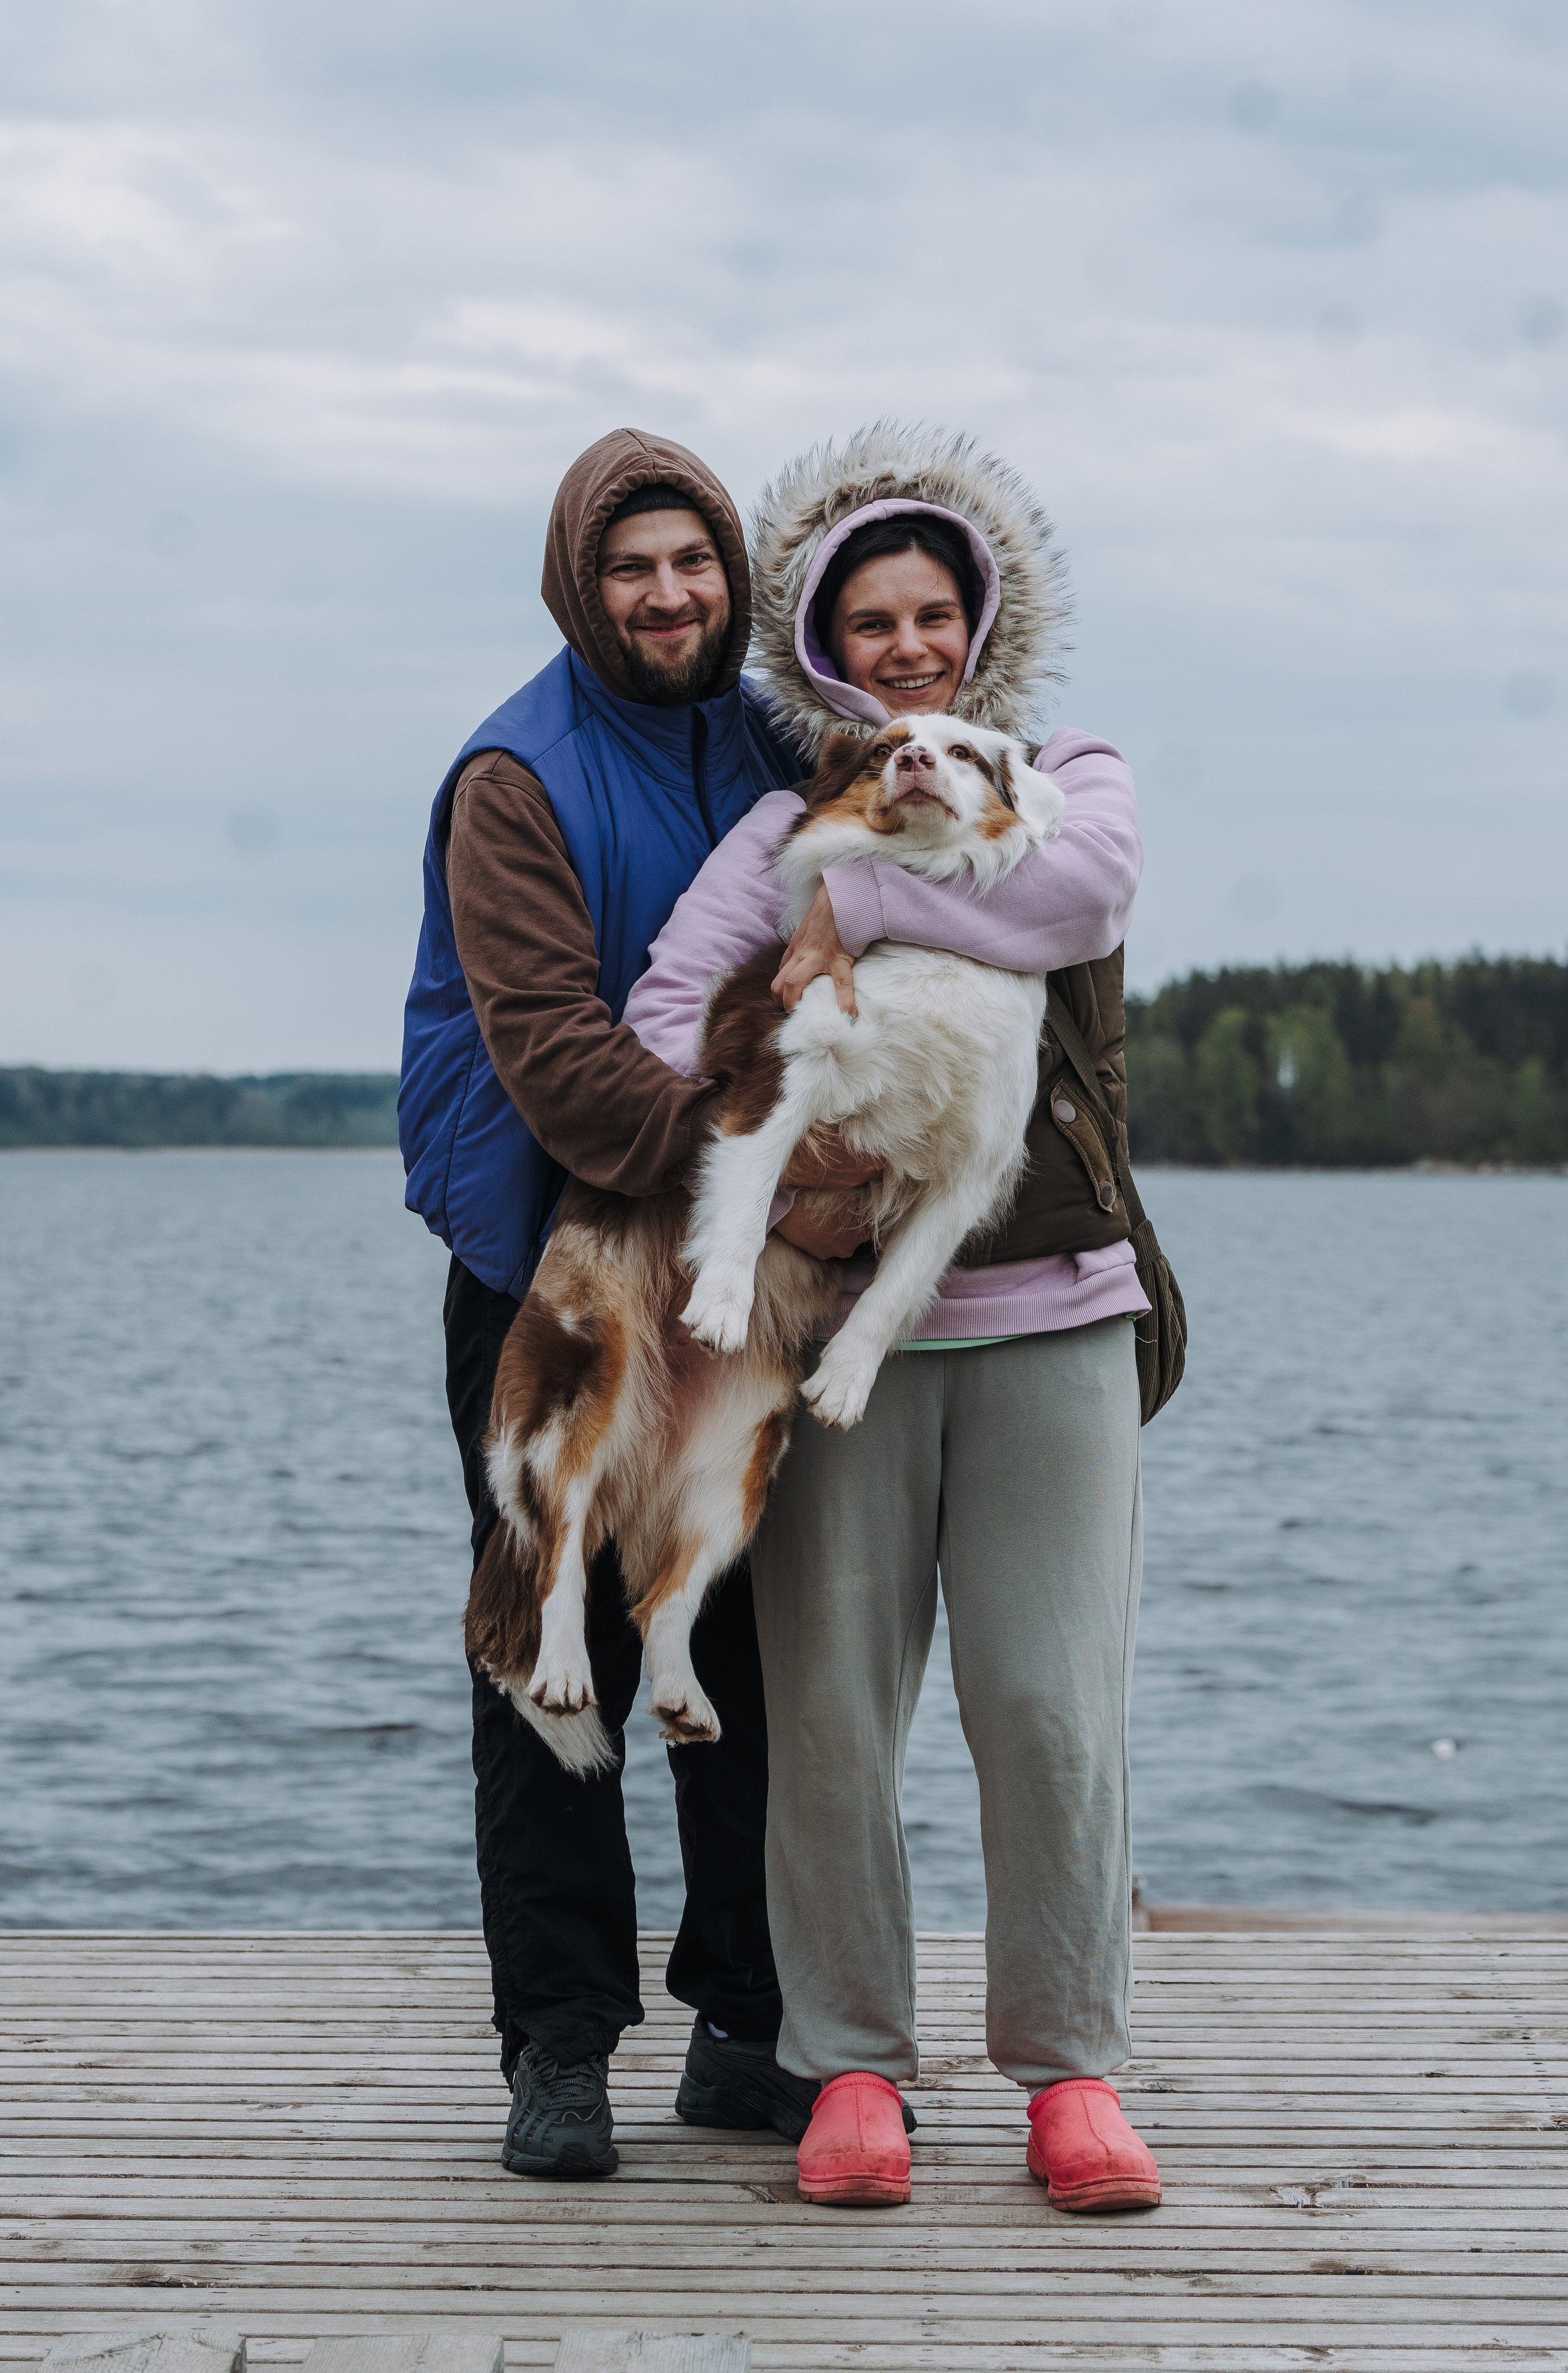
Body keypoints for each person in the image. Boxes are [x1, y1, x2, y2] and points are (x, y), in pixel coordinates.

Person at [623, 421, 1161, 2213]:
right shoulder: (783, 815)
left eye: (935, 614)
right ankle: (852, 2065)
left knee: (1049, 1703)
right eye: (874, 625)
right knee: (835, 1712)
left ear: (979, 622)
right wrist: (753, 1084)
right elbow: (661, 1007)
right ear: (826, 650)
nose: (909, 645)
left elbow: (1071, 891)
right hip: (837, 1315)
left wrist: (844, 897)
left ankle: (1069, 2073)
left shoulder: (1067, 769)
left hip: (1053, 1305)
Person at [398, 428, 822, 2180]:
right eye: (633, 567)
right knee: (546, 1638)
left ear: (734, 575)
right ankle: (559, 2045)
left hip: (735, 1262)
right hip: (547, 1265)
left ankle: (745, 2024)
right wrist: (779, 1184)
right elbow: (563, 1066)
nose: (670, 595)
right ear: (585, 584)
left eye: (694, 562)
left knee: (736, 1631)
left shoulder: (777, 739)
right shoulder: (517, 774)